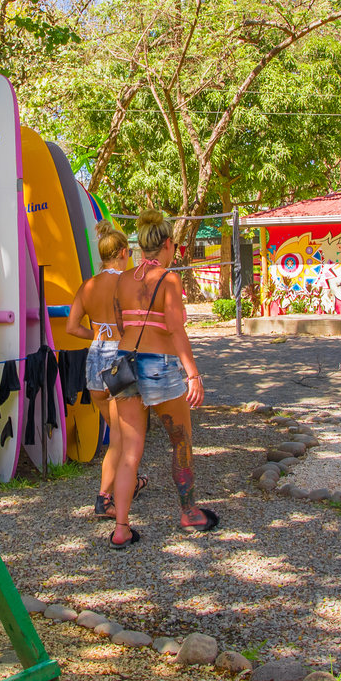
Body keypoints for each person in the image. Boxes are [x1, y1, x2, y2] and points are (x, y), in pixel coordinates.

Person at [105, 209, 214, 549]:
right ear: (168, 245)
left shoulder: (122, 279)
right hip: (159, 366)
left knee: (129, 453)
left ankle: (121, 528)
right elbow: (175, 329)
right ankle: (189, 512)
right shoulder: (168, 279)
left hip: (124, 365)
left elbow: (121, 325)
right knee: (181, 440)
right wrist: (193, 374)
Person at [65, 221, 146, 519]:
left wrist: (97, 335)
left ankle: (130, 482)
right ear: (123, 252)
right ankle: (104, 499)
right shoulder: (126, 283)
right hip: (118, 360)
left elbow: (72, 327)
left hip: (94, 359)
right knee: (120, 440)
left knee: (117, 432)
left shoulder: (87, 286)